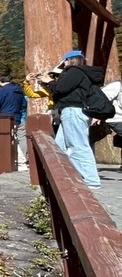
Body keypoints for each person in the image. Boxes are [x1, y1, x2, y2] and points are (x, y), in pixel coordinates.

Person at [39, 50, 104, 188]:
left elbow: (61, 89)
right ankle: (66, 177)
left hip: (73, 111)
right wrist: (47, 84)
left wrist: (50, 80)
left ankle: (91, 181)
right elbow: (60, 91)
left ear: (67, 61)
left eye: (64, 62)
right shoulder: (80, 73)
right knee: (60, 146)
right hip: (72, 111)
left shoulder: (74, 72)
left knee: (78, 146)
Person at [0, 74, 26, 165]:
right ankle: (24, 159)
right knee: (20, 138)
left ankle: (4, 159)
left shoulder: (2, 92)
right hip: (18, 118)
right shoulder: (19, 91)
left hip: (4, 119)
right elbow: (24, 105)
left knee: (4, 138)